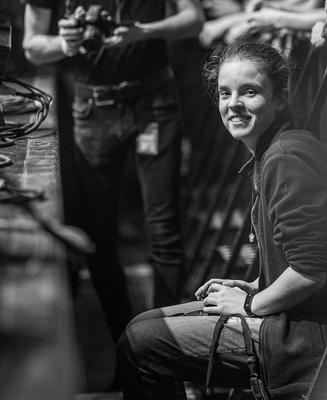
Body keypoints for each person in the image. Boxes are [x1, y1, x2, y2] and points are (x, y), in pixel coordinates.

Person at [117, 36, 327, 400]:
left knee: (141, 345)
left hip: (308, 341)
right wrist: (256, 286)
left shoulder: (285, 159)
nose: (234, 104)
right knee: (141, 326)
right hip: (294, 320)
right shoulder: (275, 151)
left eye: (250, 92)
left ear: (280, 98)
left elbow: (311, 272)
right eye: (225, 93)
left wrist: (247, 305)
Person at [22, 0, 204, 344]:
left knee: (165, 230)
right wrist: (65, 44)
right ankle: (126, 348)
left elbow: (194, 19)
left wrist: (144, 32)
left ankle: (163, 349)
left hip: (155, 102)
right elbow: (32, 47)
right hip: (93, 109)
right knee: (99, 238)